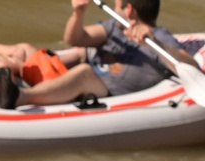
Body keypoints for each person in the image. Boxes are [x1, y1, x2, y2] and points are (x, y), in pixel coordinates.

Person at [14, 0, 196, 102]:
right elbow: (74, 39)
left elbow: (191, 66)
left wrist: (154, 43)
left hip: (105, 92)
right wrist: (79, 13)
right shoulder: (114, 28)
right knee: (24, 49)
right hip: (73, 82)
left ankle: (20, 97)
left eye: (117, 6)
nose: (113, 10)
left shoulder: (159, 37)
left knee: (84, 73)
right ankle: (3, 77)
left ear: (129, 10)